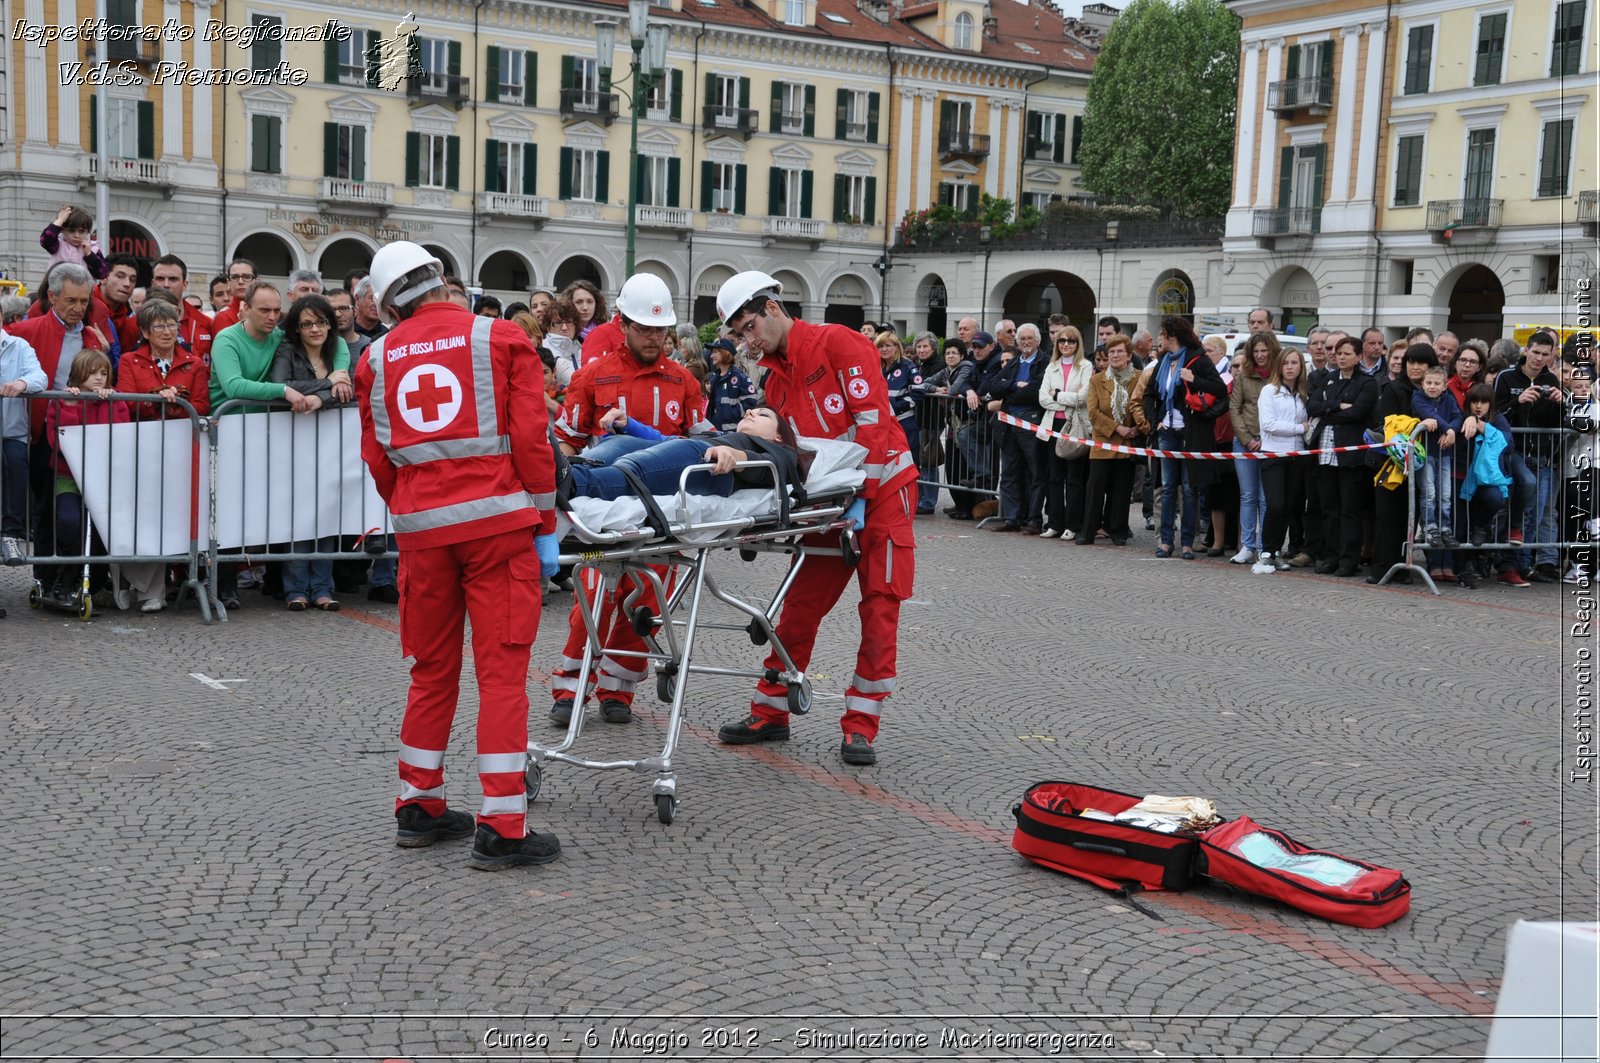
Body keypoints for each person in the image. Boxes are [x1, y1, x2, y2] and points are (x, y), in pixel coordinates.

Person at [355, 239, 561, 871]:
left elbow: (376, 458)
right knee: (501, 676)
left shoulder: (377, 358)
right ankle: (503, 825)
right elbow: (531, 437)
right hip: (497, 528)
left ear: (389, 306)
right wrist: (544, 520)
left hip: (422, 535)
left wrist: (415, 507)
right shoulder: (499, 339)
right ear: (443, 280)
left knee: (431, 670)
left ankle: (418, 805)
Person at [715, 270, 917, 767]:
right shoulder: (776, 381)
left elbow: (872, 422)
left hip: (884, 493)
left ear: (772, 309)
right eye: (738, 335)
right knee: (800, 604)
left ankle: (861, 723)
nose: (746, 342)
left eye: (747, 328)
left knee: (879, 606)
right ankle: (771, 709)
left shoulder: (839, 344)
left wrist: (862, 502)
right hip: (832, 504)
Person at [549, 273, 708, 728]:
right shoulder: (592, 376)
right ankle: (569, 686)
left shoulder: (684, 382)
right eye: (645, 329)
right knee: (593, 598)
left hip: (663, 515)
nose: (655, 338)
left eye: (661, 331)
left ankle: (617, 690)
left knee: (646, 606)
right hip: (606, 515)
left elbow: (703, 444)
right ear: (623, 324)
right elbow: (567, 446)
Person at [271, 294, 355, 611]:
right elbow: (280, 385)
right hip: (293, 443)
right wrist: (327, 383)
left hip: (329, 444)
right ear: (297, 328)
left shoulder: (338, 349)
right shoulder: (286, 350)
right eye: (307, 324)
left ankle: (322, 587)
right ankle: (295, 589)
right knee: (298, 516)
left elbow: (349, 388)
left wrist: (323, 398)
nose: (315, 329)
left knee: (325, 513)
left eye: (320, 322)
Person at [562, 406, 806, 501]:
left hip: (708, 465)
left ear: (779, 435)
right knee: (618, 443)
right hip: (691, 449)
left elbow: (774, 467)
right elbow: (667, 442)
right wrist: (629, 425)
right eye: (750, 411)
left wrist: (734, 455)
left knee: (634, 467)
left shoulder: (782, 451)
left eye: (763, 414)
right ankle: (567, 467)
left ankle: (573, 482)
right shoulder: (718, 435)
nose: (751, 412)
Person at [40, 349, 126, 607]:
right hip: (69, 475)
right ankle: (66, 575)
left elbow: (120, 436)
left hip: (102, 477)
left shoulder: (116, 399)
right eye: (92, 373)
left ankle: (94, 582)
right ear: (78, 375)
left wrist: (111, 402)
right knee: (68, 521)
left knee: (100, 529)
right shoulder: (61, 399)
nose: (99, 378)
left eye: (103, 373)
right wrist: (70, 406)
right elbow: (59, 440)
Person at [1145, 316, 1225, 559]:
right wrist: (1154, 421)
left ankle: (1188, 542)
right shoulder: (1162, 362)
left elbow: (1220, 391)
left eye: (1161, 334)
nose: (1158, 339)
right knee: (1168, 487)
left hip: (1191, 433)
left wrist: (1195, 382)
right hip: (1167, 432)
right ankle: (1166, 541)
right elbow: (1149, 395)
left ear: (1172, 337)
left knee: (1190, 489)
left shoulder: (1198, 360)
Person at [1495, 330, 1565, 582]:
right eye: (1535, 352)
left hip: (1543, 454)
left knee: (1536, 514)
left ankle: (1524, 565)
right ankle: (1506, 563)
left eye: (1545, 354)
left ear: (1552, 355)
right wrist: (1519, 401)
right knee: (1517, 506)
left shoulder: (1551, 379)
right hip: (1514, 452)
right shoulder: (1506, 377)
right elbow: (1494, 414)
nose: (1539, 358)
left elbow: (1554, 422)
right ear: (1526, 350)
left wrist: (1560, 403)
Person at [1305, 336, 1379, 577]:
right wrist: (1338, 406)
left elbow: (1359, 413)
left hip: (1350, 456)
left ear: (1358, 356)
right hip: (1325, 452)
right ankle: (1330, 556)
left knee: (1350, 509)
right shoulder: (1327, 379)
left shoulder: (1367, 383)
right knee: (1329, 508)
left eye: (1347, 353)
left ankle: (1349, 559)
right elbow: (1312, 407)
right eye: (1338, 353)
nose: (1341, 357)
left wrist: (1329, 410)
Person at [1076, 333, 1140, 547]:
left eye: (1119, 351)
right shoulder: (1097, 380)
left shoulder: (1139, 378)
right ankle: (1088, 530)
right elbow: (1093, 413)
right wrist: (1117, 428)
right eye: (1111, 352)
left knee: (1122, 490)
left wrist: (1136, 428)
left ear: (1129, 355)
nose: (1115, 355)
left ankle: (1118, 530)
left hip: (1128, 442)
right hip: (1103, 442)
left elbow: (1142, 406)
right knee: (1095, 489)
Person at [986, 322, 1047, 533]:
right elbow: (993, 386)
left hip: (1032, 421)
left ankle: (1033, 519)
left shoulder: (1044, 361)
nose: (1026, 342)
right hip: (1009, 422)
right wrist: (1013, 385)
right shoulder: (1013, 362)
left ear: (1037, 340)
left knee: (1035, 473)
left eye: (1030, 338)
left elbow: (1036, 391)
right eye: (1022, 339)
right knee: (1010, 471)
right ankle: (1011, 517)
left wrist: (1010, 392)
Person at [1458, 383, 1522, 586]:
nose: (1478, 406)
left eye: (1483, 402)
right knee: (1461, 523)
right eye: (1474, 402)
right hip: (1463, 476)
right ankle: (1464, 565)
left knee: (1495, 499)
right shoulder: (1462, 417)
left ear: (1490, 404)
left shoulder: (1497, 419)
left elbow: (1508, 444)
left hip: (1488, 478)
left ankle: (1482, 527)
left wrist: (1485, 428)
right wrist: (1469, 421)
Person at [1256, 341, 1311, 573]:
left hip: (1296, 455)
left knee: (1288, 506)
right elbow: (1268, 425)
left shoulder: (1303, 394)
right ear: (1279, 366)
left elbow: (1308, 423)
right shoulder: (1270, 391)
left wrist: (1303, 431)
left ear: (1300, 367)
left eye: (1294, 363)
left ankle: (1277, 550)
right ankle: (1266, 550)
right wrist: (1300, 428)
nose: (1290, 367)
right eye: (1286, 363)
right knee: (1275, 504)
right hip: (1273, 453)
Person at [1228, 332, 1280, 565]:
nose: (1260, 355)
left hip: (1271, 442)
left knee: (1266, 497)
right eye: (1256, 351)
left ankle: (1266, 546)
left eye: (1264, 350)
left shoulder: (1279, 375)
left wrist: (1266, 438)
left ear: (1272, 351)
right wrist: (1247, 438)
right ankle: (1248, 544)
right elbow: (1235, 408)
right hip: (1245, 442)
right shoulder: (1243, 375)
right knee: (1248, 495)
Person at [116, 294, 211, 421]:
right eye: (159, 327)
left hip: (182, 433)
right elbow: (126, 402)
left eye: (171, 325)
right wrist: (156, 400)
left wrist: (174, 407)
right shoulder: (129, 361)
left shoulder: (194, 363)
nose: (167, 332)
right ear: (145, 332)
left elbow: (202, 406)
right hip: (143, 433)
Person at [1037, 325, 1091, 538]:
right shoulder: (1051, 367)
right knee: (1054, 477)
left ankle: (1072, 525)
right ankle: (1055, 523)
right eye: (1062, 341)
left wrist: (1057, 395)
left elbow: (1083, 397)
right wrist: (1067, 399)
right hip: (1053, 426)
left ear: (1078, 344)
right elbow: (1043, 398)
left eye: (1070, 341)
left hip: (1075, 426)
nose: (1066, 345)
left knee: (1074, 478)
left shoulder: (1086, 366)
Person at [0, 327, 47, 571]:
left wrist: (23, 382)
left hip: (12, 434)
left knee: (16, 463)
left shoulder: (18, 346)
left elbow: (40, 377)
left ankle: (10, 534)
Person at [1412, 365, 1463, 568]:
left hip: (1445, 454)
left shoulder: (1448, 399)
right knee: (1430, 492)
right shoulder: (1418, 398)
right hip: (1426, 453)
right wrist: (1448, 428)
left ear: (1444, 386)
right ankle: (1430, 527)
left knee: (1446, 494)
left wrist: (1450, 431)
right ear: (1423, 383)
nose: (1432, 387)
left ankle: (1444, 527)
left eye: (1436, 384)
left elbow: (1458, 416)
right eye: (1428, 383)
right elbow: (1428, 413)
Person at [876, 331, 922, 512]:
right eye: (881, 346)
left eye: (888, 345)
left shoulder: (908, 366)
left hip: (904, 422)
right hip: (882, 424)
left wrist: (895, 408)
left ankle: (910, 502)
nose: (884, 349)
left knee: (908, 463)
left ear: (897, 347)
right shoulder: (875, 366)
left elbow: (918, 393)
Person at [149, 254, 214, 365]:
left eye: (173, 279)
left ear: (185, 284)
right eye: (160, 279)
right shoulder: (135, 324)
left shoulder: (205, 323)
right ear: (152, 283)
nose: (166, 285)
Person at [39, 204, 107, 279]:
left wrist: (89, 255)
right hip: (58, 288)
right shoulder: (58, 245)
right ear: (62, 229)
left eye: (81, 231)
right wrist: (60, 220)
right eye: (71, 231)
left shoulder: (93, 248)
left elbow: (103, 274)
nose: (76, 235)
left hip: (82, 290)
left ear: (88, 231)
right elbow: (45, 240)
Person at [705, 338, 757, 430]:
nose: (711, 356)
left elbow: (751, 400)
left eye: (715, 352)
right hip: (716, 429)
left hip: (733, 431)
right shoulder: (714, 377)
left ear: (726, 352)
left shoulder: (739, 376)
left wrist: (731, 413)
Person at [209, 258, 258, 334]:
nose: (241, 282)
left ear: (256, 281)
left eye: (247, 277)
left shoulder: (267, 311)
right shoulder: (223, 318)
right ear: (229, 283)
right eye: (234, 277)